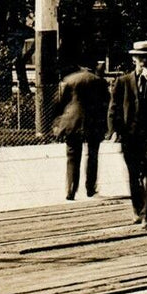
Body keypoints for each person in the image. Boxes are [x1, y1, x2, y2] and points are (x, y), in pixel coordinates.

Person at [108, 40, 147, 228]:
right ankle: (137, 209)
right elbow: (114, 109)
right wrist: (114, 131)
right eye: (140, 58)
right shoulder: (123, 81)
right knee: (133, 176)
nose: (143, 61)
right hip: (130, 136)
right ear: (133, 59)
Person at [51, 62, 111, 200]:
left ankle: (71, 190)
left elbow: (60, 103)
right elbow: (106, 103)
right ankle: (90, 188)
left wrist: (57, 122)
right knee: (92, 156)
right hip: (93, 122)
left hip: (73, 122)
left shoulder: (69, 80)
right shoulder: (99, 81)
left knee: (72, 156)